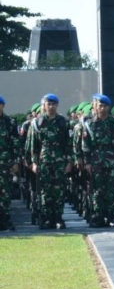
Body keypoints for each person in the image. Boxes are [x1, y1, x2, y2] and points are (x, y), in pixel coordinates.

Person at [27, 94, 73, 229]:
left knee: (58, 191)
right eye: (48, 104)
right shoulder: (37, 123)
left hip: (60, 162)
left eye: (53, 104)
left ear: (57, 105)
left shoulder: (64, 122)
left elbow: (69, 145)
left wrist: (69, 162)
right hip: (44, 162)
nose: (51, 106)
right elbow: (33, 146)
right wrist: (34, 163)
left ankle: (58, 218)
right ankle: (47, 218)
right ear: (44, 105)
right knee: (45, 192)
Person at [81, 94, 114, 227]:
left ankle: (110, 216)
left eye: (105, 106)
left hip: (111, 161)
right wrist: (87, 162)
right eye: (100, 106)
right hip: (95, 161)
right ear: (95, 106)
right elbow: (85, 145)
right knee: (96, 190)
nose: (103, 108)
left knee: (111, 190)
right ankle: (97, 216)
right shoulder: (89, 124)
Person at [0, 95, 19, 231]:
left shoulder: (10, 122)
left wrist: (15, 162)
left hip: (5, 163)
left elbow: (15, 144)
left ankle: (5, 220)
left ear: (3, 106)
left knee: (5, 193)